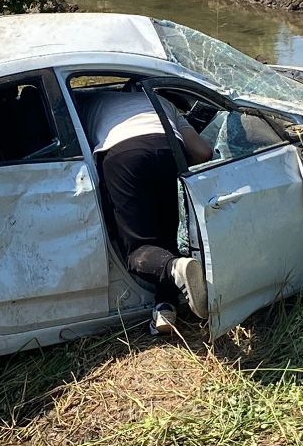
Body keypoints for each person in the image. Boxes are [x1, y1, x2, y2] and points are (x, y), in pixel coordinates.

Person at [77, 89, 214, 325]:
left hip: (122, 156)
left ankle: (175, 268)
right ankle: (165, 310)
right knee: (168, 236)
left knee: (137, 249)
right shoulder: (157, 99)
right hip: (170, 148)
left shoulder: (87, 104)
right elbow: (203, 152)